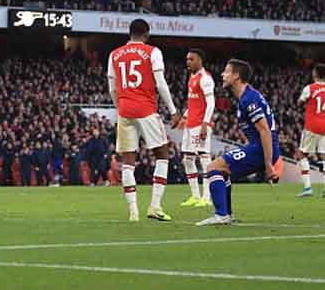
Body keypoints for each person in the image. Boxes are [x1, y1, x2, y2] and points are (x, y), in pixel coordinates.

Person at [107, 19, 180, 222]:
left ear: (129, 33)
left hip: (125, 110)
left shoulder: (114, 54)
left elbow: (112, 88)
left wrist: (118, 106)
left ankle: (133, 212)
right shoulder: (152, 52)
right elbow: (161, 83)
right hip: (146, 109)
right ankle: (155, 206)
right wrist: (173, 110)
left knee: (128, 161)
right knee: (162, 155)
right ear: (146, 34)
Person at [196, 59, 280, 226]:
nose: (222, 74)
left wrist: (268, 164)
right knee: (223, 170)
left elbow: (265, 130)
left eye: (226, 71)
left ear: (236, 76)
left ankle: (221, 215)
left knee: (213, 167)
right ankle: (226, 214)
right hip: (258, 147)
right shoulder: (246, 96)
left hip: (261, 149)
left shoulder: (248, 99)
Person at [178, 49, 215, 208]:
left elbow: (210, 103)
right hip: (190, 123)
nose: (188, 62)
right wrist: (185, 117)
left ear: (200, 60)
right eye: (187, 59)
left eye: (191, 59)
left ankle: (207, 197)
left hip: (200, 124)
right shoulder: (192, 77)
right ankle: (195, 195)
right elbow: (193, 102)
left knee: (204, 159)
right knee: (187, 159)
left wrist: (205, 124)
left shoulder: (205, 79)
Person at [294, 63, 325, 197]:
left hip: (312, 125)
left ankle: (307, 188)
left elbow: (299, 102)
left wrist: (304, 103)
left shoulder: (310, 88)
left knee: (302, 154)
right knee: (324, 156)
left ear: (316, 74)